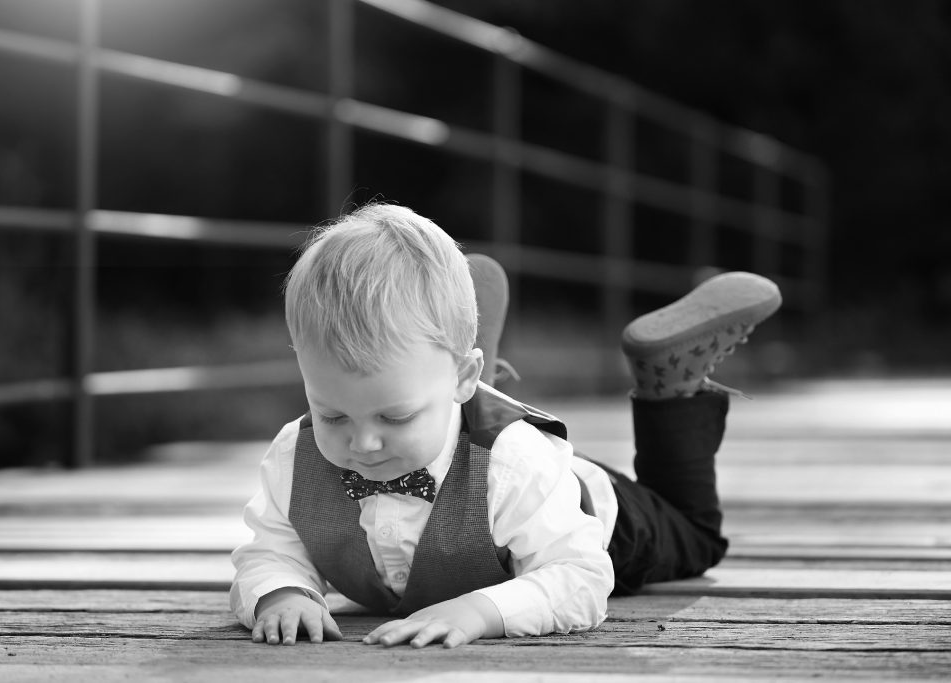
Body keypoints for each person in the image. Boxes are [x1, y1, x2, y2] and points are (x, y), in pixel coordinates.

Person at [229, 203, 781, 649]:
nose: (363, 443)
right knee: (421, 420)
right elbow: (269, 549)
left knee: (696, 536)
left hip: (587, 511)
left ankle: (670, 384)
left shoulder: (516, 464)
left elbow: (581, 577)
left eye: (394, 416)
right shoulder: (293, 458)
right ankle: (456, 377)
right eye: (332, 414)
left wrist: (483, 609)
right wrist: (280, 592)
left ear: (460, 379)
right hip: (483, 473)